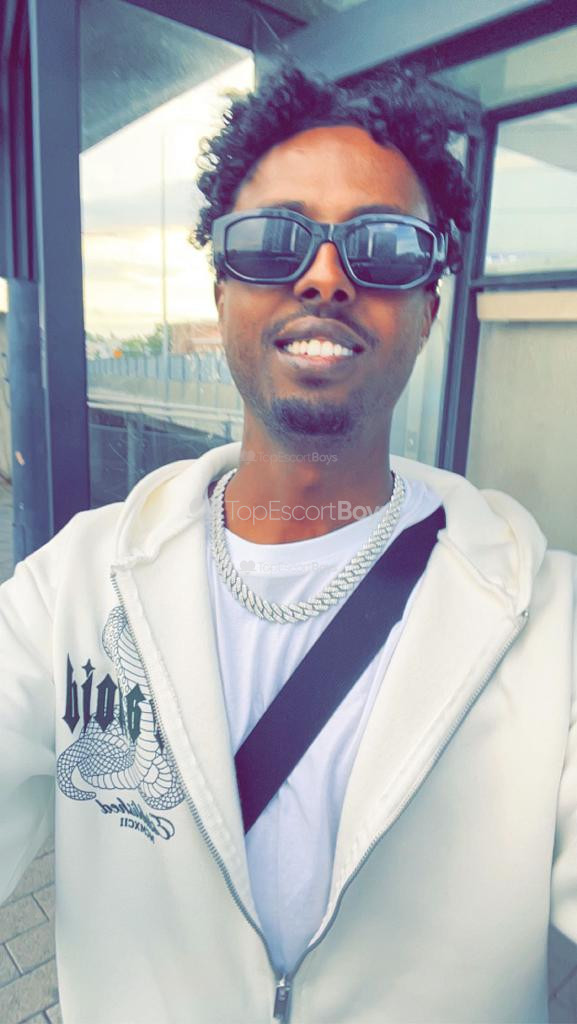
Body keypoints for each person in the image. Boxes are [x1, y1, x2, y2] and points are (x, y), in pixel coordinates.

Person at [0, 63, 575, 1024]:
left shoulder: (551, 626)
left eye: (384, 246)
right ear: (222, 291)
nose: (324, 276)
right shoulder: (70, 590)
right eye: (272, 241)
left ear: (430, 308)